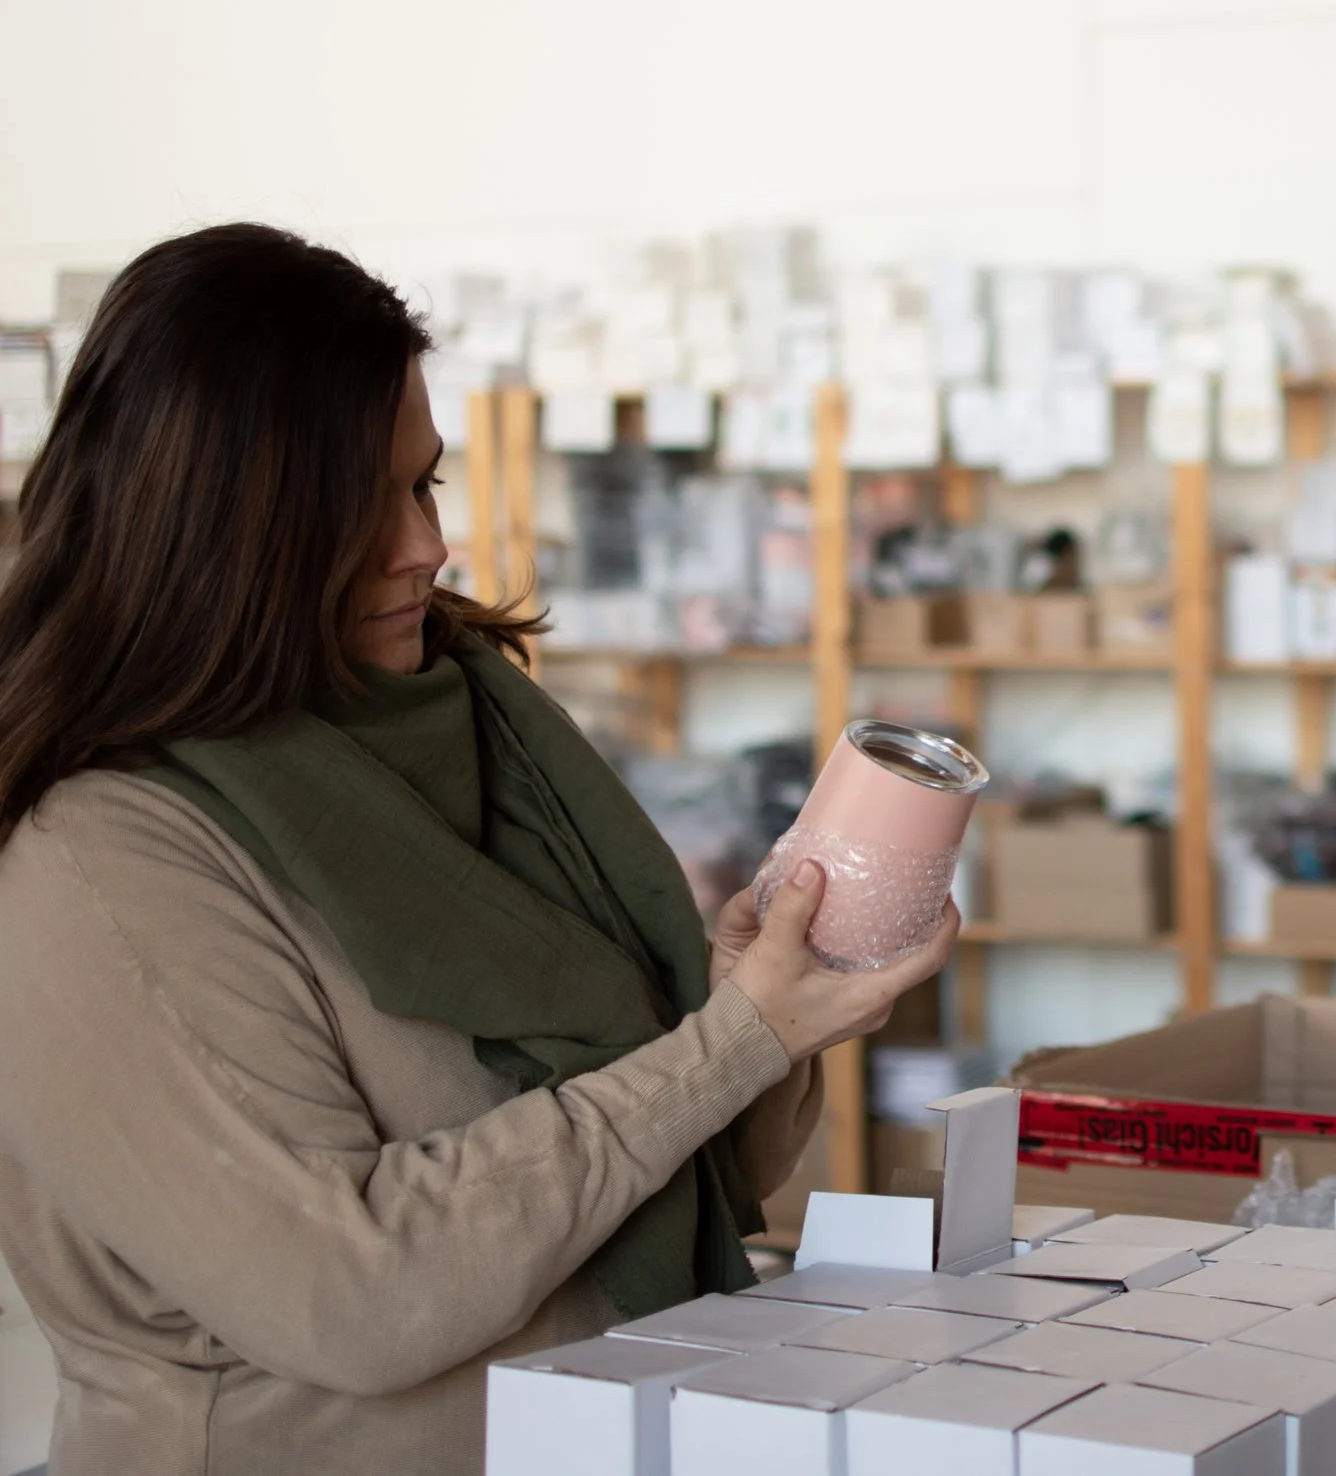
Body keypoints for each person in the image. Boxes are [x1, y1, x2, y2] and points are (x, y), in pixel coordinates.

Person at [0, 224, 956, 1476]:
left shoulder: (481, 731)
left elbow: (698, 1171)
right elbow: (348, 1291)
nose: (424, 547)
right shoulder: (99, 857)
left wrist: (756, 1009)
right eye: (360, 505)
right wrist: (728, 1045)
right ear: (217, 525)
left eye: (425, 486)